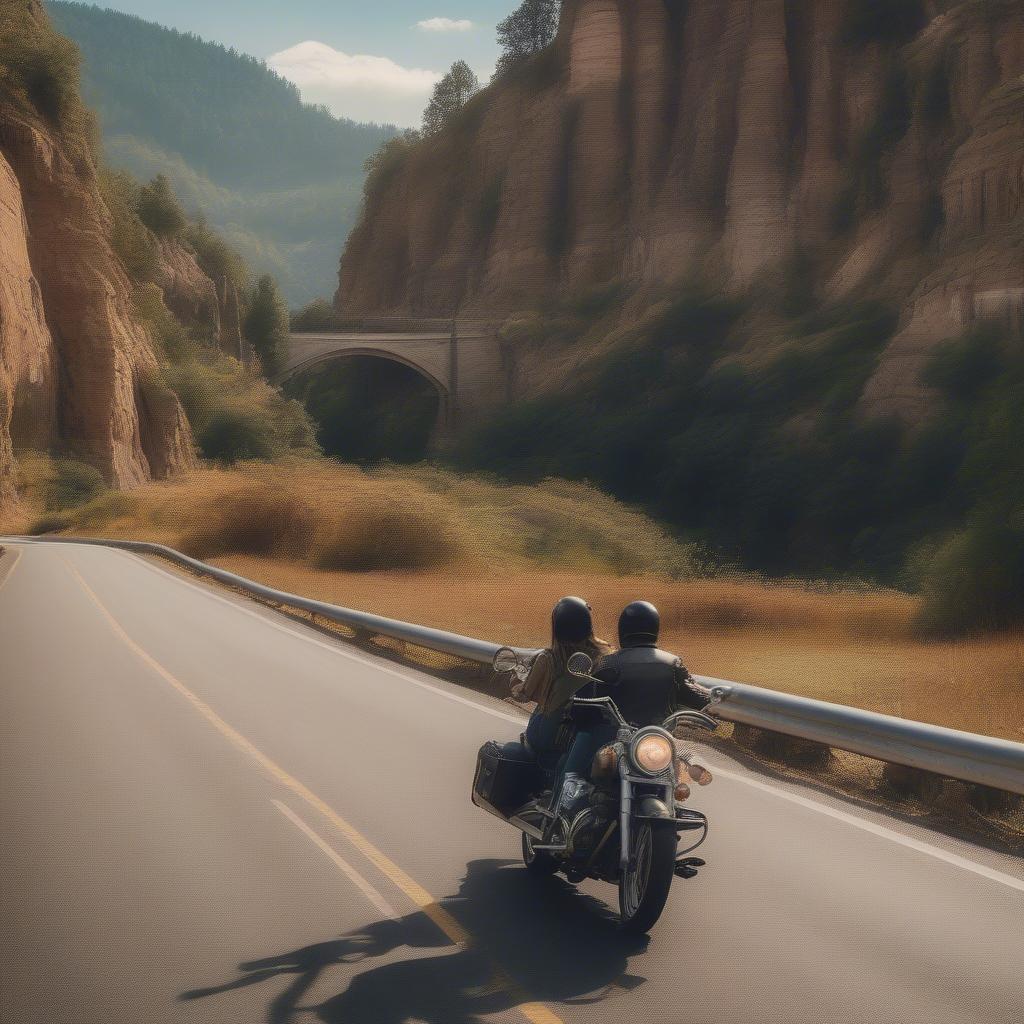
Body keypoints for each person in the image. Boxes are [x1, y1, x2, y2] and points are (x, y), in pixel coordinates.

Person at [560, 600, 710, 783]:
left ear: (623, 630)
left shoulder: (610, 662)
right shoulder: (673, 663)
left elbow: (581, 702)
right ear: (655, 629)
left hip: (615, 740)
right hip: (656, 741)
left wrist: (572, 712)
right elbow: (699, 699)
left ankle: (563, 799)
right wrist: (713, 697)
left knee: (571, 778)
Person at [510, 596, 611, 770]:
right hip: (588, 733)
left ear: (557, 626)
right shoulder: (606, 656)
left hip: (551, 734)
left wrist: (515, 684)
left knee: (535, 726)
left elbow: (524, 695)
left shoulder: (549, 658)